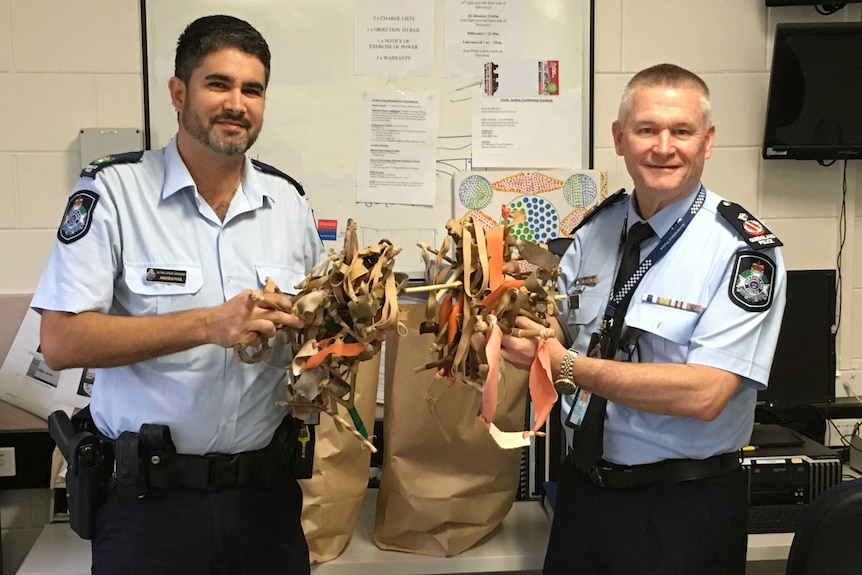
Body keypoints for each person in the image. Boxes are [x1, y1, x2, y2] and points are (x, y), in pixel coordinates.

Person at [32, 15, 324, 575]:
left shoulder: (289, 205)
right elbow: (61, 341)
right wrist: (207, 325)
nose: (237, 103)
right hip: (148, 508)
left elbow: (315, 329)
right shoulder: (114, 193)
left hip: (264, 501)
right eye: (218, 84)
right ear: (178, 92)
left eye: (253, 89)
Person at [500, 63, 787, 574]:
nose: (663, 147)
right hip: (584, 496)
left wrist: (565, 366)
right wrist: (512, 318)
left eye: (682, 131)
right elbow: (562, 332)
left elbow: (705, 393)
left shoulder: (743, 253)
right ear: (619, 138)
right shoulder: (594, 231)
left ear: (708, 141)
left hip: (682, 508)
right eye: (647, 129)